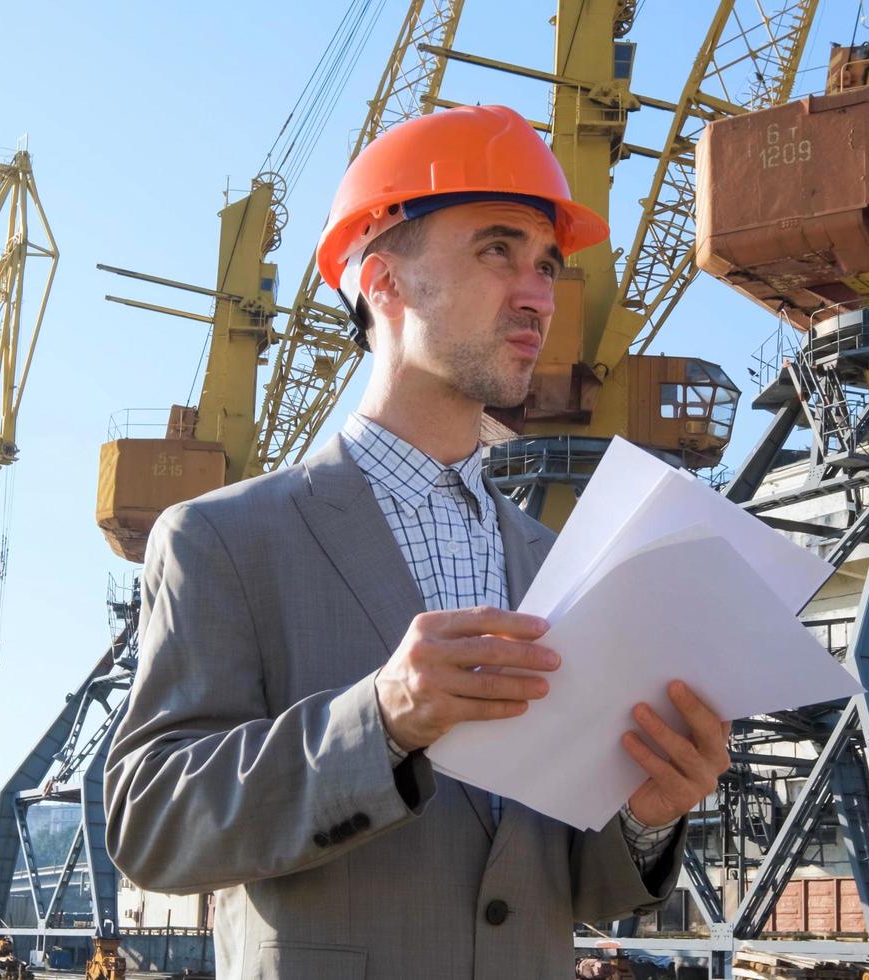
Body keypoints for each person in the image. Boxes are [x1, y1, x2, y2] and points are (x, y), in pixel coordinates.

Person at [104, 104, 734, 979]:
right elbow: (152, 823)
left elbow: (568, 886)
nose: (539, 294)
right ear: (381, 279)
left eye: (547, 266)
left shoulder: (558, 564)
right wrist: (383, 719)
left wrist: (651, 812)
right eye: (496, 250)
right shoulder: (221, 538)